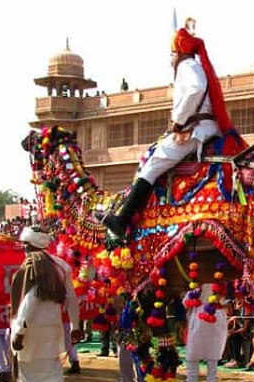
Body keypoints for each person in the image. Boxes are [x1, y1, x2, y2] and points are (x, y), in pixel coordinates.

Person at [99, 18, 244, 239]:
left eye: (171, 54)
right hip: (201, 127)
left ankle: (123, 219)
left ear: (178, 52)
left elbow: (195, 89)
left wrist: (178, 120)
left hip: (195, 130)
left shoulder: (188, 66)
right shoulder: (195, 66)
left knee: (152, 165)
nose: (170, 59)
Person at [5, 226, 80, 382]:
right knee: (52, 374)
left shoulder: (31, 264)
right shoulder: (61, 265)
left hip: (30, 329)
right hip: (52, 328)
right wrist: (75, 325)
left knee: (27, 376)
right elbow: (71, 299)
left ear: (30, 245)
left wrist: (19, 328)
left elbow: (30, 300)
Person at [180, 284, 228, 382]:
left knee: (193, 352)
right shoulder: (220, 283)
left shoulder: (197, 284)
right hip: (216, 316)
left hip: (201, 316)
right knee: (212, 353)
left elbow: (186, 302)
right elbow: (223, 301)